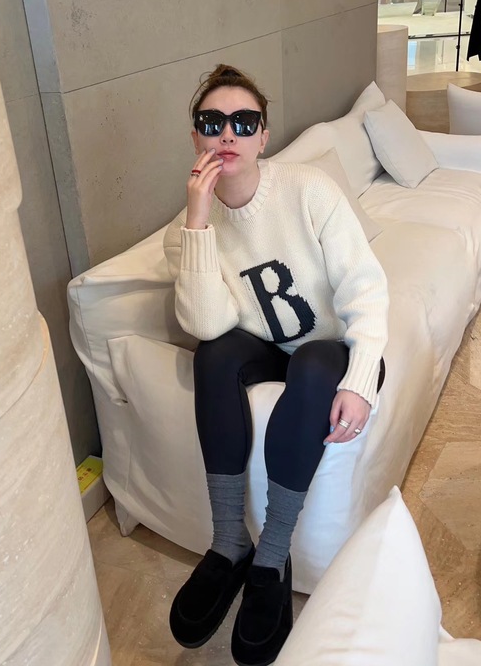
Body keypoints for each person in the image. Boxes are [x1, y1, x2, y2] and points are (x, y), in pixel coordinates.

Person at [164, 65, 389, 666]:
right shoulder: (187, 230)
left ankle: (272, 556)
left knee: (314, 363)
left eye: (245, 122)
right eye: (213, 122)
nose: (228, 134)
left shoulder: (308, 188)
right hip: (267, 345)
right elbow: (207, 322)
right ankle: (229, 542)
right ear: (195, 136)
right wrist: (197, 221)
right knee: (214, 354)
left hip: (329, 347)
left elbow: (365, 286)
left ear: (263, 135)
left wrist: (361, 378)